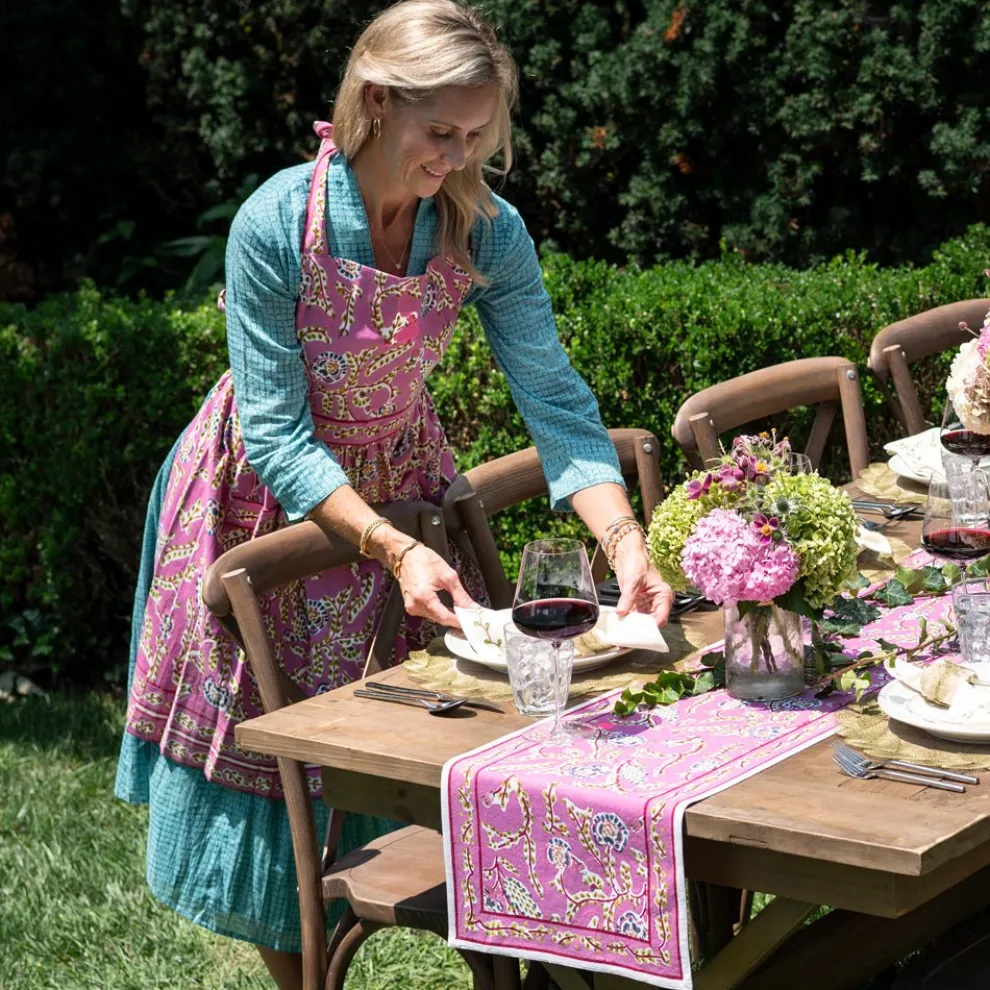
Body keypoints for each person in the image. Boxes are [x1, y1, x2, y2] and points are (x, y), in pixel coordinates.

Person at [115, 1, 674, 987]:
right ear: (377, 102)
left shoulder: (483, 234)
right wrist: (395, 547)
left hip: (401, 488)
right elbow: (279, 431)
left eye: (475, 139)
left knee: (429, 756)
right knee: (272, 780)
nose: (457, 161)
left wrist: (627, 542)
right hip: (259, 503)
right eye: (441, 134)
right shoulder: (277, 224)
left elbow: (551, 394)